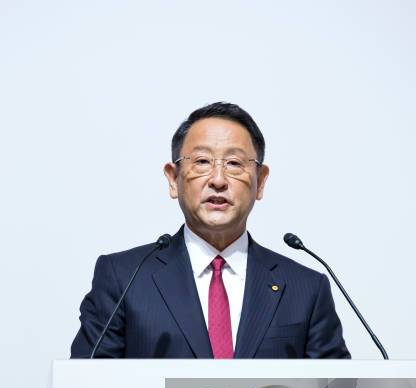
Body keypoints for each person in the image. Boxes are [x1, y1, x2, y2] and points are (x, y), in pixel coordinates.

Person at [71, 102, 350, 359]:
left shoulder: (306, 289)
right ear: (173, 179)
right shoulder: (124, 279)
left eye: (234, 163)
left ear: (260, 181)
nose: (218, 180)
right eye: (202, 162)